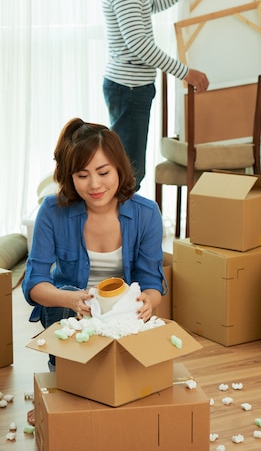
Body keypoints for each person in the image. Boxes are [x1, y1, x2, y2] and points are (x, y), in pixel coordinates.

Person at [22, 117, 166, 352]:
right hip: (68, 313)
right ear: (70, 176)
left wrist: (148, 300)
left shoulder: (147, 213)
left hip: (120, 316)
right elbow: (34, 283)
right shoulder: (52, 211)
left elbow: (151, 284)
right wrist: (71, 299)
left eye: (103, 172)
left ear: (119, 168)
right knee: (66, 295)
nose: (94, 185)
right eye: (82, 175)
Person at [102, 0, 221, 189]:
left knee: (127, 169)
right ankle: (121, 230)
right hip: (130, 89)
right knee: (128, 173)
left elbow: (152, 4)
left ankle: (121, 229)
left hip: (127, 88)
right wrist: (186, 72)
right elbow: (139, 45)